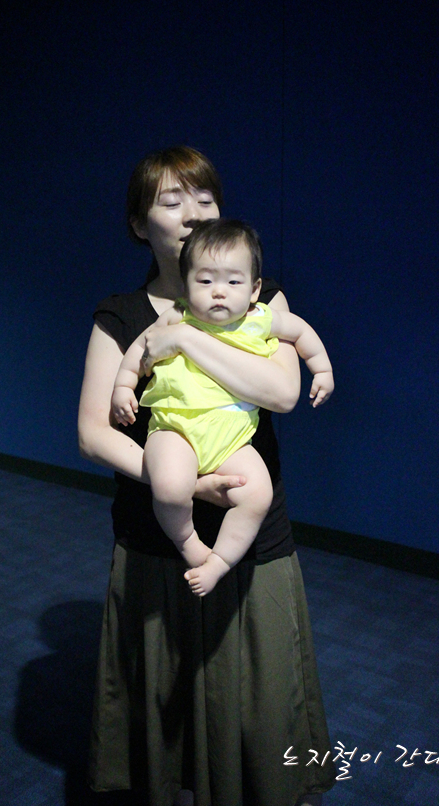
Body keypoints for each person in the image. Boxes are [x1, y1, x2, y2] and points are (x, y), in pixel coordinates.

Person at [78, 146, 336, 806]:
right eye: (171, 201)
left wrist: (187, 338)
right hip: (156, 537)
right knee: (162, 722)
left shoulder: (261, 298)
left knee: (259, 712)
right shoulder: (121, 315)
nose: (193, 213)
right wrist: (189, 487)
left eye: (205, 198)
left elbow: (282, 392)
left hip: (254, 541)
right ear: (139, 224)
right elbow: (93, 433)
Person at [111, 218, 334, 597]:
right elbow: (141, 348)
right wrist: (123, 385)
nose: (219, 291)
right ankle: (188, 543)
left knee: (258, 493)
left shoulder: (261, 319)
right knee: (170, 487)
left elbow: (301, 332)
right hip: (175, 427)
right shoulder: (178, 316)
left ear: (254, 289)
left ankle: (220, 561)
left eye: (233, 281)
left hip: (232, 437)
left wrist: (322, 368)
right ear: (186, 286)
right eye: (205, 281)